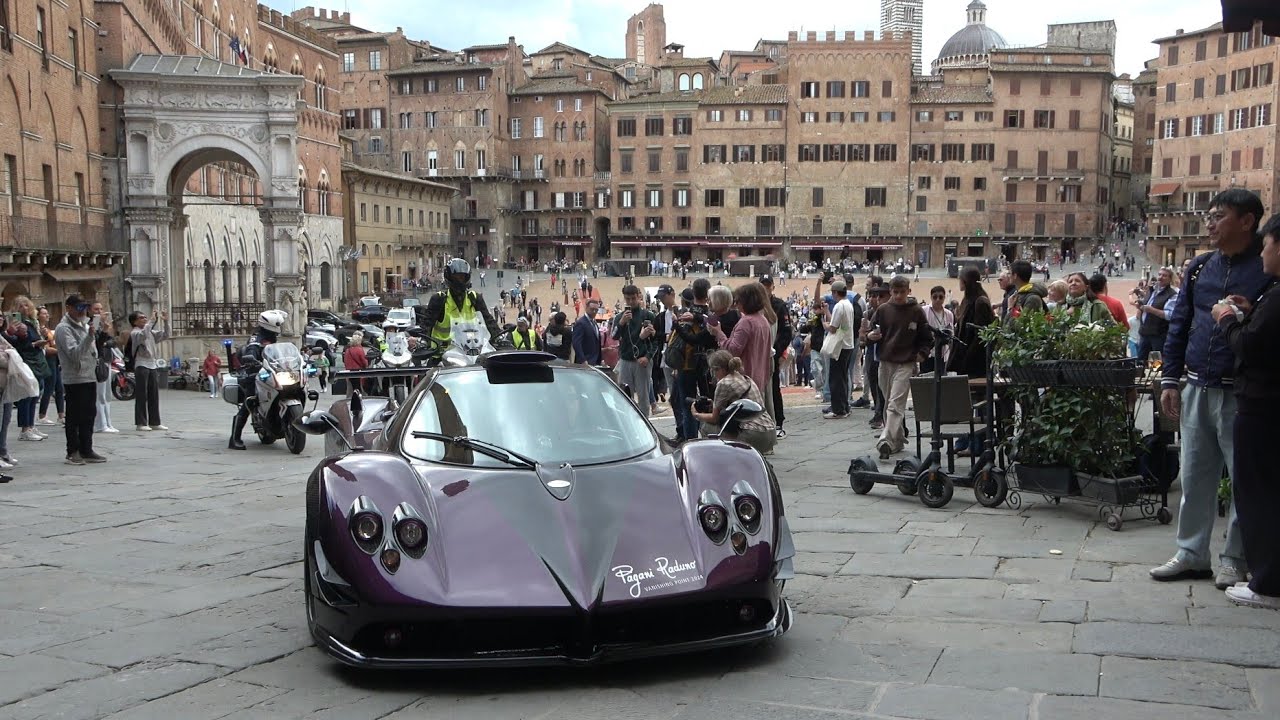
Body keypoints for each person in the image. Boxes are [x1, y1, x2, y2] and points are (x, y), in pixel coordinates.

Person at [1152, 188, 1272, 588]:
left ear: (1247, 221)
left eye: (1219, 215)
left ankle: (1235, 559)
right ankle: (1191, 553)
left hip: (1242, 392)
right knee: (1194, 474)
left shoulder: (1267, 270)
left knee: (1242, 480)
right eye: (1209, 215)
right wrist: (1170, 378)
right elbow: (1180, 323)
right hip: (1196, 385)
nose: (1209, 223)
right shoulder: (1201, 267)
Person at [1212, 213, 1280, 610]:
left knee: (1259, 492)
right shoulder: (1271, 295)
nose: (1263, 253)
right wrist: (1250, 311)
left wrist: (1226, 321)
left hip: (1261, 406)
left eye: (1267, 245)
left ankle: (1267, 582)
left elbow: (1253, 347)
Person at [869, 276, 932, 459]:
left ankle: (886, 440)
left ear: (908, 291)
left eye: (902, 292)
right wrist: (871, 336)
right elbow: (869, 332)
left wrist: (922, 353)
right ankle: (897, 440)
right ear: (890, 292)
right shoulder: (882, 310)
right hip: (885, 361)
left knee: (896, 403)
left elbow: (926, 337)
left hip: (906, 362)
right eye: (895, 292)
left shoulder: (916, 311)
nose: (898, 296)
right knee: (889, 401)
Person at [691, 350, 776, 455]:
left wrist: (697, 415)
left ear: (718, 369)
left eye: (712, 370)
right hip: (770, 432)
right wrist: (714, 404)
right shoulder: (746, 378)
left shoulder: (724, 383)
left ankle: (722, 457)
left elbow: (714, 418)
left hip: (753, 435)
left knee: (705, 425)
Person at [54, 295, 105, 465]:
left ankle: (86, 448)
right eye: (79, 308)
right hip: (75, 377)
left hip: (89, 375)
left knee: (89, 414)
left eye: (84, 307)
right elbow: (74, 353)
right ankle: (72, 451)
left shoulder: (83, 324)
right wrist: (89, 337)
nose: (82, 311)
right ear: (69, 308)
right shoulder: (63, 328)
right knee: (75, 416)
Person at [229, 309, 288, 450]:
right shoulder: (256, 339)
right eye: (278, 325)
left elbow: (279, 354)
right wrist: (252, 360)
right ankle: (234, 438)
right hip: (253, 375)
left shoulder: (272, 338)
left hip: (271, 373)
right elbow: (251, 353)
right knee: (250, 401)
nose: (279, 328)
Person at [705, 283, 773, 403]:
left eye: (737, 301)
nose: (735, 305)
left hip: (743, 380)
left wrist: (719, 333)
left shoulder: (746, 322)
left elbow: (732, 350)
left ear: (746, 301)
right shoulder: (763, 320)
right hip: (759, 378)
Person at [419, 259, 501, 345]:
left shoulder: (475, 298)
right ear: (449, 277)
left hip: (471, 350)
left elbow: (488, 320)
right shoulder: (439, 299)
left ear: (467, 278)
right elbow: (427, 323)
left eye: (462, 277)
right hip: (443, 352)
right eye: (455, 277)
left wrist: (499, 336)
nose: (459, 281)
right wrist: (423, 341)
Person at [3, 296, 50, 442]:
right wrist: (33, 343)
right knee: (28, 394)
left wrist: (39, 338)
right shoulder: (15, 324)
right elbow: (16, 343)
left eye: (26, 305)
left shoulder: (31, 322)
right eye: (21, 306)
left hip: (36, 359)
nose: (25, 308)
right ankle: (25, 428)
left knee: (36, 392)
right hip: (26, 359)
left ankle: (30, 425)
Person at [612, 285, 658, 417]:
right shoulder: (619, 317)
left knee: (643, 397)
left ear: (639, 297)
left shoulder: (648, 315)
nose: (631, 302)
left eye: (633, 298)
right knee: (625, 396)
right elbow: (614, 336)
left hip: (642, 360)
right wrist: (621, 323)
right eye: (628, 299)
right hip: (626, 359)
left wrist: (648, 357)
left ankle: (645, 425)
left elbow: (656, 340)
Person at [759, 275, 794, 438]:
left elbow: (786, 332)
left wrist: (777, 352)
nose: (766, 289)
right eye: (763, 285)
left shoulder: (779, 305)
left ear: (772, 286)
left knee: (773, 388)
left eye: (768, 285)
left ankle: (778, 422)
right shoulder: (755, 305)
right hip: (758, 354)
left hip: (772, 353)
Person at [818, 280, 856, 419]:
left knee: (835, 379)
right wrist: (827, 312)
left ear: (835, 292)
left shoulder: (839, 306)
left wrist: (825, 325)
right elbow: (838, 323)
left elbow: (833, 328)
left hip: (840, 346)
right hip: (847, 344)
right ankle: (844, 406)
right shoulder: (848, 305)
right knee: (843, 377)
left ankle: (838, 409)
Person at [948, 268, 996, 379]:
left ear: (965, 281)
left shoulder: (980, 302)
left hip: (974, 361)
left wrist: (967, 358)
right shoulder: (967, 300)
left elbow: (979, 335)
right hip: (964, 358)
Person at [128, 309, 170, 432]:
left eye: (145, 317)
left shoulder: (150, 332)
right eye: (141, 318)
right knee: (142, 395)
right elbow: (144, 334)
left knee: (154, 395)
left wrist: (166, 321)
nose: (145, 319)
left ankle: (155, 422)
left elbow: (165, 335)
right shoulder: (135, 333)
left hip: (152, 364)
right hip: (141, 364)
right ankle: (141, 422)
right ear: (134, 322)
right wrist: (152, 320)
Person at [1135, 266, 1178, 361]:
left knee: (1156, 364)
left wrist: (1151, 310)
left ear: (1170, 279)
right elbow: (1146, 306)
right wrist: (1140, 306)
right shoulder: (1152, 290)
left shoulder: (1172, 294)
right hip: (1144, 333)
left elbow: (1170, 315)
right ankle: (1140, 375)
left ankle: (1155, 374)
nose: (1160, 277)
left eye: (1164, 276)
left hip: (1158, 336)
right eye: (1159, 274)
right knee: (1140, 361)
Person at [89, 303, 118, 434]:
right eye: (96, 309)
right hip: (97, 361)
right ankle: (100, 424)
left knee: (107, 394)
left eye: (101, 309)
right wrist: (105, 338)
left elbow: (113, 341)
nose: (100, 312)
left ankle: (107, 422)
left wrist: (106, 339)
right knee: (99, 395)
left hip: (106, 360)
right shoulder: (91, 326)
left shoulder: (103, 326)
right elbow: (98, 343)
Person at [36, 307, 65, 427]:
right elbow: (45, 347)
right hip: (48, 359)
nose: (47, 315)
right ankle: (42, 415)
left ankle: (61, 415)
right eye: (44, 313)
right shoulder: (39, 330)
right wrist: (59, 351)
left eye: (47, 313)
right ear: (38, 316)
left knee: (59, 387)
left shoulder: (46, 329)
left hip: (54, 359)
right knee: (50, 386)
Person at [921, 285, 954, 375]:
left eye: (940, 297)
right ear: (931, 297)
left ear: (944, 297)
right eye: (935, 297)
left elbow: (951, 333)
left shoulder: (949, 314)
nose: (938, 300)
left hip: (943, 353)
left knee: (941, 379)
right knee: (926, 378)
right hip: (927, 353)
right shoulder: (924, 311)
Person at [1003, 261, 1047, 325]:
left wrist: (1010, 309)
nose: (1008, 276)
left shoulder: (1033, 299)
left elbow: (1021, 326)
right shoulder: (1018, 294)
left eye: (1009, 273)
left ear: (1015, 275)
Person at [572, 299, 603, 365]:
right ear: (586, 308)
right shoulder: (581, 323)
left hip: (595, 361)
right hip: (585, 361)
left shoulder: (594, 323)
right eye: (592, 309)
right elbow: (576, 343)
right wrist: (583, 360)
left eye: (596, 310)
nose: (594, 311)